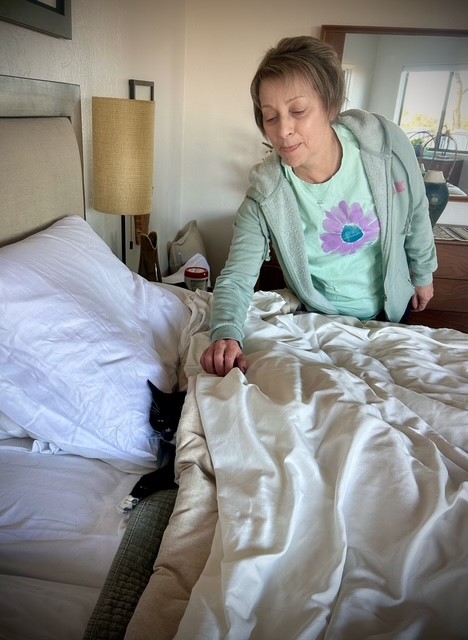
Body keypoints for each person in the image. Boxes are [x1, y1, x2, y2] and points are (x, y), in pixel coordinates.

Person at [201, 35, 437, 377]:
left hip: (391, 314)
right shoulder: (266, 193)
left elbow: (415, 211)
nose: (283, 131)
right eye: (270, 117)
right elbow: (237, 275)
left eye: (298, 111)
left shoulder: (385, 147)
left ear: (330, 105)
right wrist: (226, 332)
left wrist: (423, 274)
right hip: (322, 325)